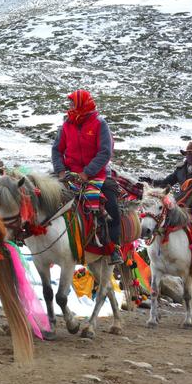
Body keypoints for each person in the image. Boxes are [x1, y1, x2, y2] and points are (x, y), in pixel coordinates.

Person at [51, 89, 122, 265]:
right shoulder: (67, 125)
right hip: (69, 174)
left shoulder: (99, 124)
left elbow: (105, 152)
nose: (70, 107)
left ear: (82, 104)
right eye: (70, 104)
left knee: (112, 206)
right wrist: (60, 170)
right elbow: (57, 150)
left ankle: (114, 248)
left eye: (73, 103)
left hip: (96, 174)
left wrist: (87, 173)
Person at [142, 141, 192, 261]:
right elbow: (167, 181)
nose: (191, 156)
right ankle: (153, 251)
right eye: (189, 154)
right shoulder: (180, 169)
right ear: (186, 155)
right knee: (160, 219)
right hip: (179, 203)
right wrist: (151, 181)